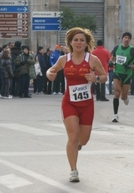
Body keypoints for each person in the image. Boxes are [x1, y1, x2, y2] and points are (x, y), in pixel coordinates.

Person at [46, 27, 107, 183]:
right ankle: (73, 170)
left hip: (86, 104)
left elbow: (104, 76)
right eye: (76, 40)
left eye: (82, 40)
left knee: (83, 140)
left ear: (86, 43)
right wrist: (50, 74)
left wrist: (96, 79)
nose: (79, 43)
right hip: (69, 103)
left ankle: (79, 144)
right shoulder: (64, 59)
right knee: (73, 136)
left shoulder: (92, 59)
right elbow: (51, 71)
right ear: (70, 43)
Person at [110, 32, 134, 122]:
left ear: (130, 40)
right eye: (125, 37)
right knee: (117, 93)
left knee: (123, 96)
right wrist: (111, 62)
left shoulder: (132, 50)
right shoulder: (116, 48)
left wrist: (129, 66)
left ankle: (125, 98)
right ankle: (115, 115)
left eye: (128, 38)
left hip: (127, 75)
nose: (126, 39)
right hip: (117, 73)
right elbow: (112, 59)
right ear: (122, 39)